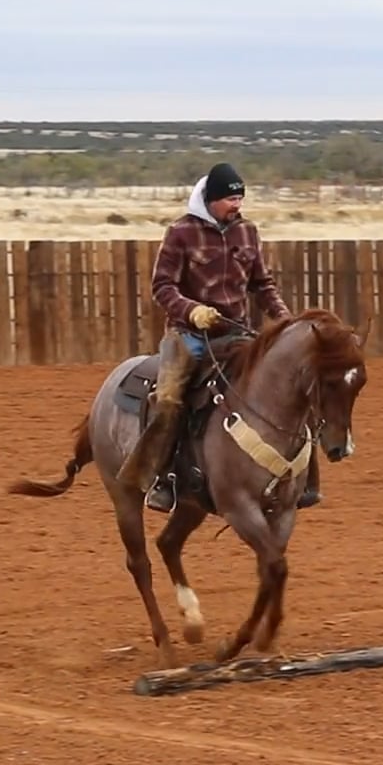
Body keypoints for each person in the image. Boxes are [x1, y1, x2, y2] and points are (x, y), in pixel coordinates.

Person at [123, 161, 321, 513]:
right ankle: (163, 478)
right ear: (210, 201)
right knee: (168, 400)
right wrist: (191, 310)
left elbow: (262, 285)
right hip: (188, 336)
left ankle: (305, 478)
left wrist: (284, 320)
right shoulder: (181, 233)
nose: (237, 205)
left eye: (240, 198)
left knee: (291, 384)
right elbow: (162, 286)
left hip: (237, 333)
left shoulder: (247, 232)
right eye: (230, 199)